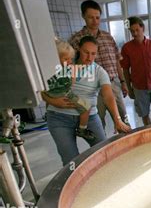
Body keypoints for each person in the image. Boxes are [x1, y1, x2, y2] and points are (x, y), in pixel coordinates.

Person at [42, 36, 131, 166]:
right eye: (86, 52)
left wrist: (117, 120)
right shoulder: (62, 66)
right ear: (79, 49)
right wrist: (53, 101)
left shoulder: (99, 72)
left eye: (93, 53)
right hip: (59, 118)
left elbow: (108, 96)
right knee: (70, 161)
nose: (89, 57)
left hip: (89, 118)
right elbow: (42, 89)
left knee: (104, 152)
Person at [69, 0, 129, 130]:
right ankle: (104, 147)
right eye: (90, 17)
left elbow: (117, 61)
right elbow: (70, 66)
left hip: (113, 85)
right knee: (97, 124)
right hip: (91, 88)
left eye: (97, 17)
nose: (95, 21)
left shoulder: (108, 37)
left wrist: (123, 82)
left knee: (123, 119)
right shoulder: (76, 39)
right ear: (83, 16)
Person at [44, 40, 95, 141]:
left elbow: (43, 89)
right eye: (66, 59)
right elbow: (70, 84)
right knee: (86, 108)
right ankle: (82, 130)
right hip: (66, 94)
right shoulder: (66, 70)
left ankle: (47, 114)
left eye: (70, 59)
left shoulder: (47, 69)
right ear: (56, 58)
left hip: (50, 94)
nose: (70, 61)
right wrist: (73, 74)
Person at [121, 17, 151, 126]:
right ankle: (149, 132)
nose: (134, 33)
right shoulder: (126, 48)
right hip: (139, 87)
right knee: (144, 114)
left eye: (137, 30)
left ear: (142, 28)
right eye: (132, 31)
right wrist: (129, 88)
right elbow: (125, 69)